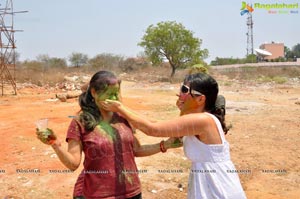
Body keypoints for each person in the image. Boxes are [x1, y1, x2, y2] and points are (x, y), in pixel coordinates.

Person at [36, 70, 181, 199]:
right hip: (98, 194)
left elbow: (136, 150)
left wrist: (165, 144)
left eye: (116, 93)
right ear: (94, 93)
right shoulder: (81, 122)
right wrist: (54, 143)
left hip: (132, 193)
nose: (115, 98)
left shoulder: (124, 117)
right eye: (109, 93)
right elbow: (73, 163)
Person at [101, 72, 247, 199]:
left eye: (184, 90)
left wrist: (119, 108)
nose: (179, 94)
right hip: (209, 182)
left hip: (217, 186)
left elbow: (153, 129)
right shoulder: (201, 118)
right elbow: (155, 122)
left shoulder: (201, 120)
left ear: (200, 99)